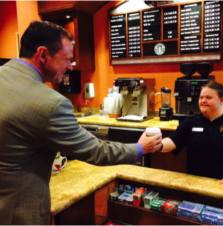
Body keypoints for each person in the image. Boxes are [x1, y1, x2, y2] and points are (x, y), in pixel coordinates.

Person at [0, 21, 162, 226]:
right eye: (67, 59)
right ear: (42, 55)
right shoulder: (51, 103)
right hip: (19, 211)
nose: (70, 67)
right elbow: (96, 151)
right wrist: (140, 148)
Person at [159, 81, 223, 186]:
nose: (203, 101)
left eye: (208, 98)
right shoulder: (191, 122)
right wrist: (158, 144)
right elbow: (174, 140)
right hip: (194, 185)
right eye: (201, 97)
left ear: (222, 100)